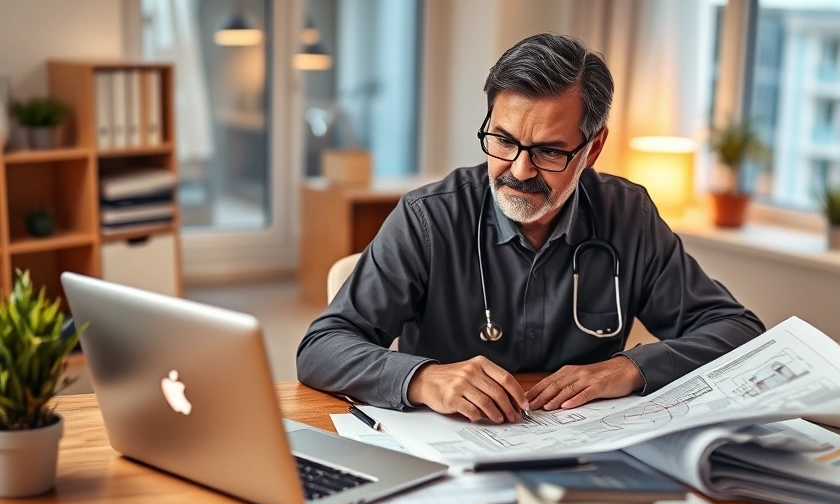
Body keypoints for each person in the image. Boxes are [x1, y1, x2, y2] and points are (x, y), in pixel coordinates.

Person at [297, 33, 764, 424]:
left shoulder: (628, 215)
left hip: (584, 453)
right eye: (502, 140)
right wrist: (422, 378)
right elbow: (321, 348)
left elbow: (738, 330)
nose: (518, 170)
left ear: (593, 148)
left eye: (548, 151)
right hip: (449, 455)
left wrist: (628, 368)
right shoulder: (429, 217)